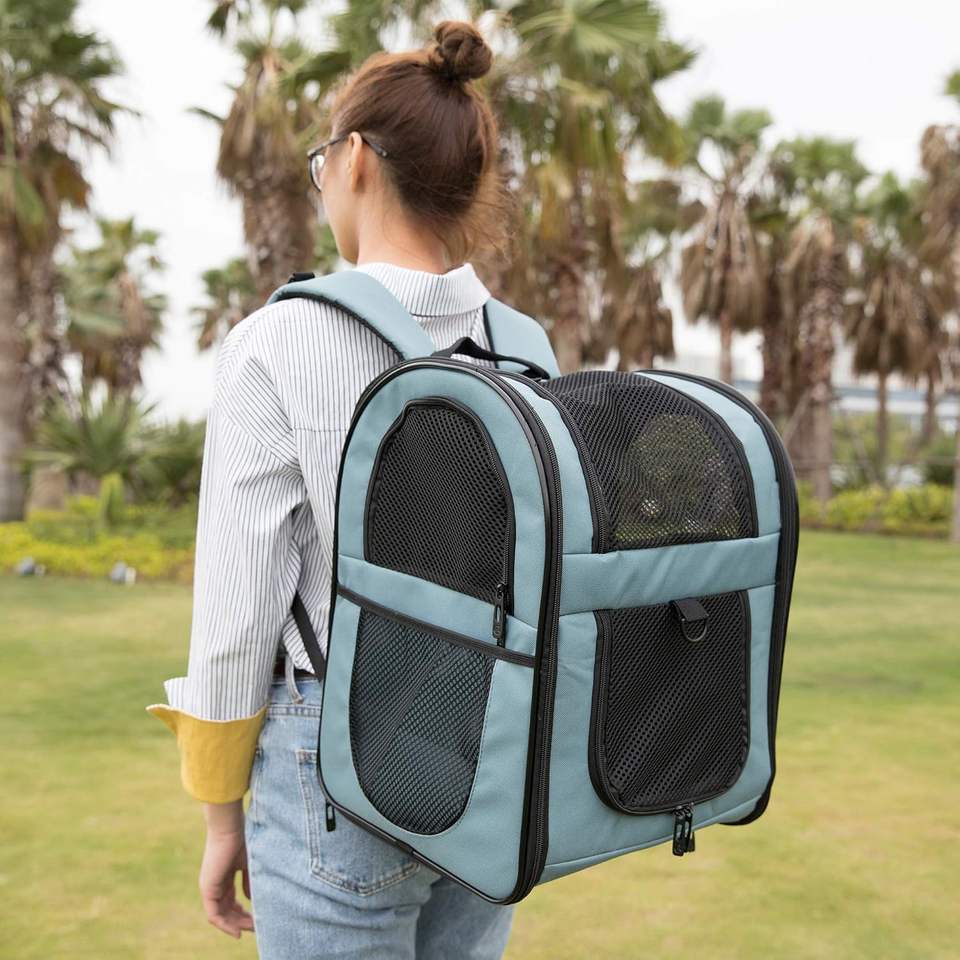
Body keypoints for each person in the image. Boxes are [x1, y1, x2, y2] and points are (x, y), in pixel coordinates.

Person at [146, 19, 519, 959]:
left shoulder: (280, 340)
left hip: (339, 755)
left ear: (353, 160)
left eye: (322, 162)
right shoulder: (525, 348)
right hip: (495, 752)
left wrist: (220, 812)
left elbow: (237, 610)